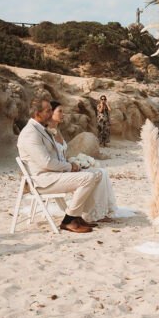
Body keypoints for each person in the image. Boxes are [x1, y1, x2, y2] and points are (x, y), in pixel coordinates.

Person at [17, 98, 101, 233]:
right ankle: (69, 220)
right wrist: (70, 167)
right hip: (43, 180)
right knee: (87, 178)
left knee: (97, 173)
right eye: (48, 111)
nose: (51, 114)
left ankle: (77, 216)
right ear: (38, 114)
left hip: (53, 174)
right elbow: (46, 162)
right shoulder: (30, 133)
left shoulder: (42, 129)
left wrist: (71, 164)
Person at [47, 101, 120, 223]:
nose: (63, 114)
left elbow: (62, 155)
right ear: (50, 113)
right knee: (92, 175)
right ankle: (90, 214)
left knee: (102, 172)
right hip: (58, 172)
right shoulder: (46, 132)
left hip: (66, 167)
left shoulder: (58, 131)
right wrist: (69, 166)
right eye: (60, 111)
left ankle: (98, 213)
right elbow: (50, 158)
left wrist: (77, 162)